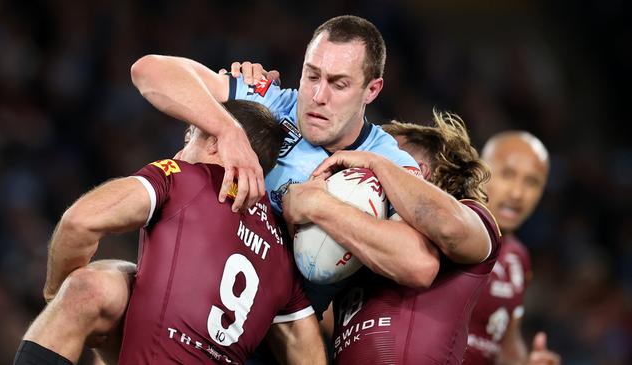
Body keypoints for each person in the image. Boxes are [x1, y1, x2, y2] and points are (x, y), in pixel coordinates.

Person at [129, 15, 493, 317]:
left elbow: (418, 265)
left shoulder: (389, 163)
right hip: (185, 289)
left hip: (272, 333)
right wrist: (229, 131)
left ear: (372, 90)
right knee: (96, 290)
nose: (318, 97)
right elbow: (150, 72)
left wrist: (320, 207)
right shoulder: (269, 101)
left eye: (339, 84)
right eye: (312, 75)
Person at [13, 100, 327, 365]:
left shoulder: (185, 178)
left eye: (190, 136)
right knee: (100, 284)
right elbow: (309, 351)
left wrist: (56, 293)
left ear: (217, 141)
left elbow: (78, 223)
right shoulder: (282, 256)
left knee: (84, 286)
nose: (180, 151)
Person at [294, 111, 501, 364]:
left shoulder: (472, 216)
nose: (359, 159)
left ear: (418, 169)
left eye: (388, 149)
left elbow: (450, 229)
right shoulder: (356, 243)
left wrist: (378, 163)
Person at [464, 131, 561, 365]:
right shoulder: (445, 232)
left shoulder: (519, 258)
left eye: (531, 182)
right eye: (507, 174)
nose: (517, 193)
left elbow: (503, 344)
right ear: (479, 172)